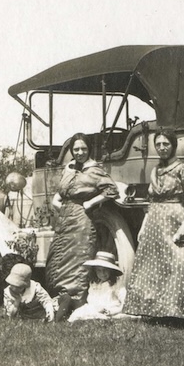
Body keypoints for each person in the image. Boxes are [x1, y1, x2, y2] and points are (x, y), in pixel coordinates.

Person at [123, 128, 184, 327]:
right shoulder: (155, 170)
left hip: (175, 221)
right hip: (154, 223)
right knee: (154, 268)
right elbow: (150, 201)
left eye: (166, 144)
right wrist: (143, 226)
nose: (162, 148)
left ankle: (182, 314)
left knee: (179, 266)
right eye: (158, 145)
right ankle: (157, 311)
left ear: (173, 145)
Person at [45, 133, 120, 319]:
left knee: (77, 259)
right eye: (76, 149)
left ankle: (76, 300)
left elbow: (112, 190)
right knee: (59, 258)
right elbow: (61, 192)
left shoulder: (94, 170)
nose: (80, 152)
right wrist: (56, 200)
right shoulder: (69, 169)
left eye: (83, 149)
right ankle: (60, 299)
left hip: (82, 219)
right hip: (64, 219)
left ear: (89, 150)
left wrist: (92, 202)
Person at [67, 250, 135, 322]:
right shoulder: (94, 284)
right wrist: (97, 307)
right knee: (79, 313)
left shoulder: (116, 284)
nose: (102, 273)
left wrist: (113, 310)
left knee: (118, 316)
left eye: (105, 270)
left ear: (111, 270)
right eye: (99, 270)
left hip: (111, 309)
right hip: (95, 309)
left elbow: (124, 300)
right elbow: (91, 299)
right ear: (95, 271)